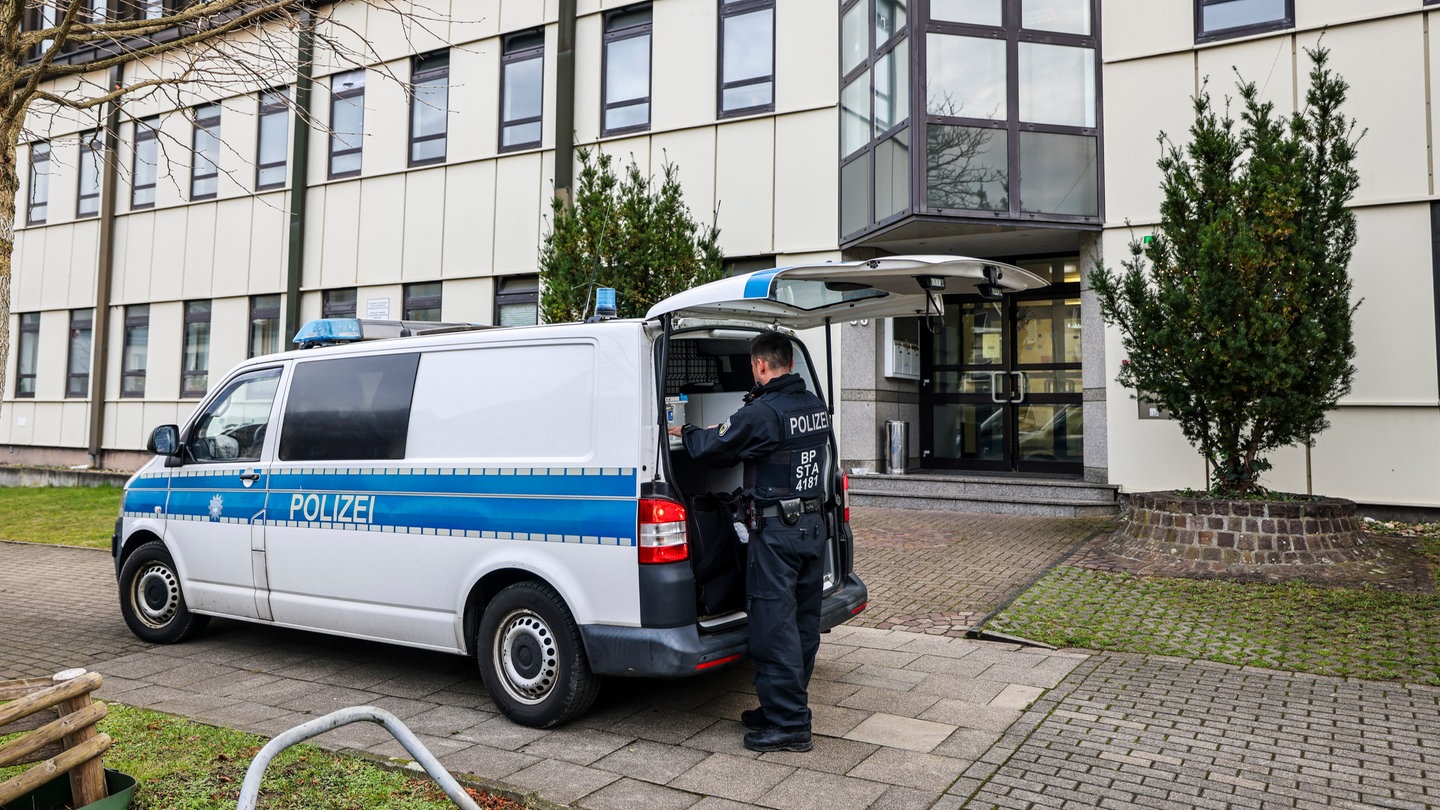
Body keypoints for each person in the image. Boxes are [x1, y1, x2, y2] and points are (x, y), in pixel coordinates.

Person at [667, 331, 831, 753]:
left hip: (777, 534)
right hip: (812, 529)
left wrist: (683, 430)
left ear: (760, 365)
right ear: (790, 364)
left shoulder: (764, 412)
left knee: (774, 628)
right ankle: (780, 708)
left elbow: (714, 447)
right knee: (802, 625)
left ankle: (790, 724)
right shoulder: (813, 405)